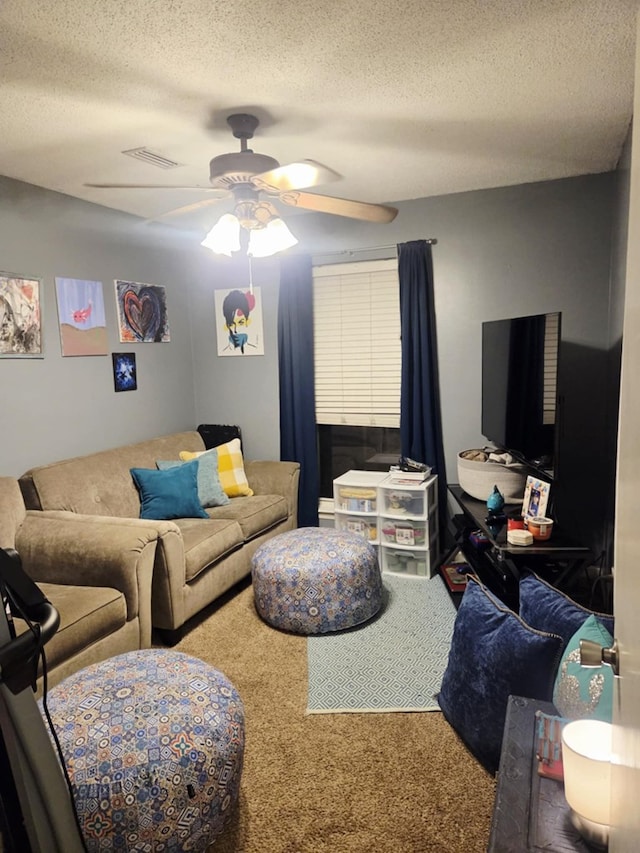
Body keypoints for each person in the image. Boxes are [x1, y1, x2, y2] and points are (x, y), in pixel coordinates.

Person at [222, 289, 255, 354]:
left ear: (246, 322)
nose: (235, 331)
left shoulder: (254, 348)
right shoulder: (225, 351)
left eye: (240, 323)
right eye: (231, 324)